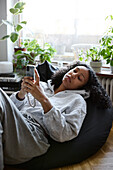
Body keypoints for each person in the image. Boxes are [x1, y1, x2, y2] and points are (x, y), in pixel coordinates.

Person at [0, 62, 112, 170]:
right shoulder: (42, 85)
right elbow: (10, 109)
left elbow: (64, 134)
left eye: (79, 78)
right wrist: (22, 93)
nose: (73, 75)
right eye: (74, 70)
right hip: (15, 125)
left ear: (82, 87)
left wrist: (43, 100)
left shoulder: (77, 101)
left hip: (33, 135)